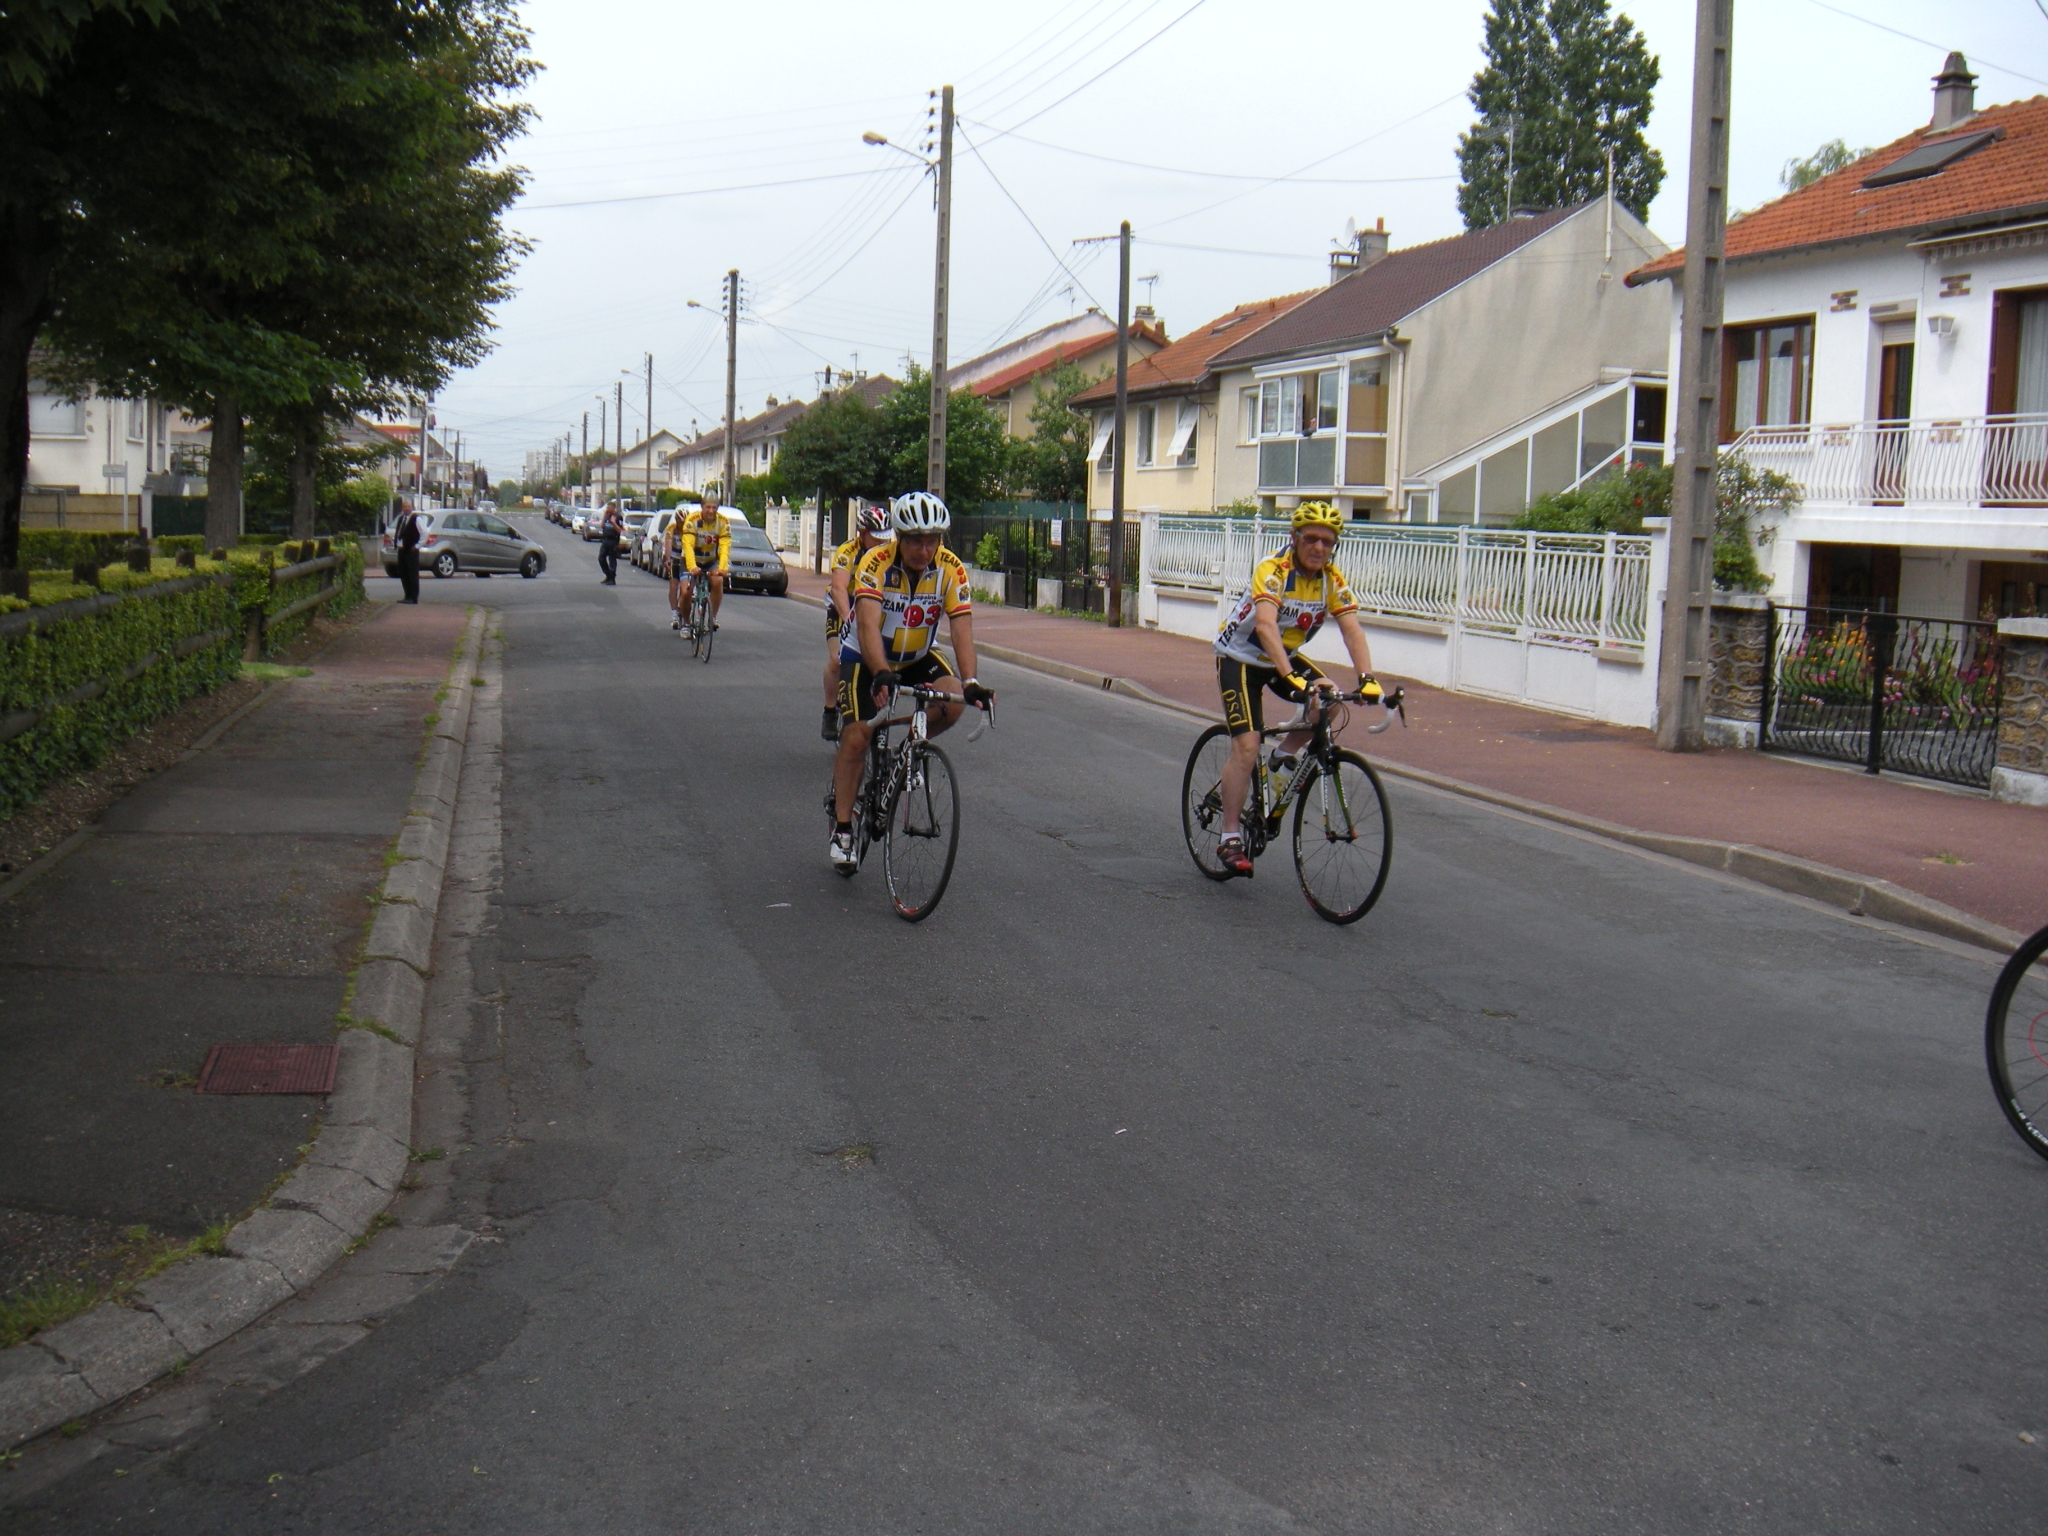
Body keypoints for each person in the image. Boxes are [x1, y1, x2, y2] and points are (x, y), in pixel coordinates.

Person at [1211, 500, 1380, 878]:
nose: (1320, 548)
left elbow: (1352, 628)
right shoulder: (1273, 570)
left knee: (1331, 699)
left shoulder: (1331, 579)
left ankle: (1283, 756)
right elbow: (1266, 627)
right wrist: (1290, 676)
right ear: (1295, 538)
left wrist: (1368, 678)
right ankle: (1229, 836)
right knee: (1247, 745)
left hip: (1280, 657)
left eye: (1328, 542)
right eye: (1312, 539)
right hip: (1240, 658)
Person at [828, 491, 993, 872]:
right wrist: (881, 670)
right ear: (899, 537)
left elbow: (962, 627)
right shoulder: (875, 562)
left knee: (952, 699)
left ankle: (909, 750)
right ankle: (842, 829)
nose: (924, 548)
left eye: (932, 539)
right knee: (857, 735)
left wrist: (970, 681)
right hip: (866, 653)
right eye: (916, 539)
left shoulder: (951, 569)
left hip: (916, 654)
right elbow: (868, 624)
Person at [820, 505, 893, 740]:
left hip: (871, 607)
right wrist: (848, 618)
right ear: (862, 534)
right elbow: (839, 587)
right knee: (837, 659)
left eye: (884, 538)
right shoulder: (847, 551)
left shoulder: (889, 554)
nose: (881, 544)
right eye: (875, 538)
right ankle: (830, 711)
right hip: (844, 607)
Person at [676, 491, 730, 633]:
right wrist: (692, 567)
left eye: (714, 507)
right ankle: (687, 624)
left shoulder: (723, 522)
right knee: (686, 592)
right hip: (690, 560)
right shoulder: (692, 520)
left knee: (718, 581)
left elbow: (725, 546)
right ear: (702, 507)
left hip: (710, 561)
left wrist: (723, 568)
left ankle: (711, 618)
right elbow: (688, 546)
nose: (711, 511)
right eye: (708, 507)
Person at [394, 503, 421, 603]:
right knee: (403, 573)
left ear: (412, 508)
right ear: (402, 508)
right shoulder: (401, 519)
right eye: (405, 507)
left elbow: (424, 533)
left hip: (411, 550)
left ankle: (413, 597)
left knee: (412, 573)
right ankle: (407, 595)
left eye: (408, 506)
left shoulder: (416, 519)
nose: (407, 508)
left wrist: (417, 546)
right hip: (401, 549)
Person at [597, 499, 624, 584]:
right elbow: (601, 526)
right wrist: (604, 517)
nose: (607, 509)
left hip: (613, 540)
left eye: (609, 507)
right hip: (605, 540)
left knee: (612, 559)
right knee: (601, 558)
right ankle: (607, 575)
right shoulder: (607, 516)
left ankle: (612, 578)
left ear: (613, 508)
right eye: (607, 507)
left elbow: (620, 530)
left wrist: (614, 523)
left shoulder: (618, 517)